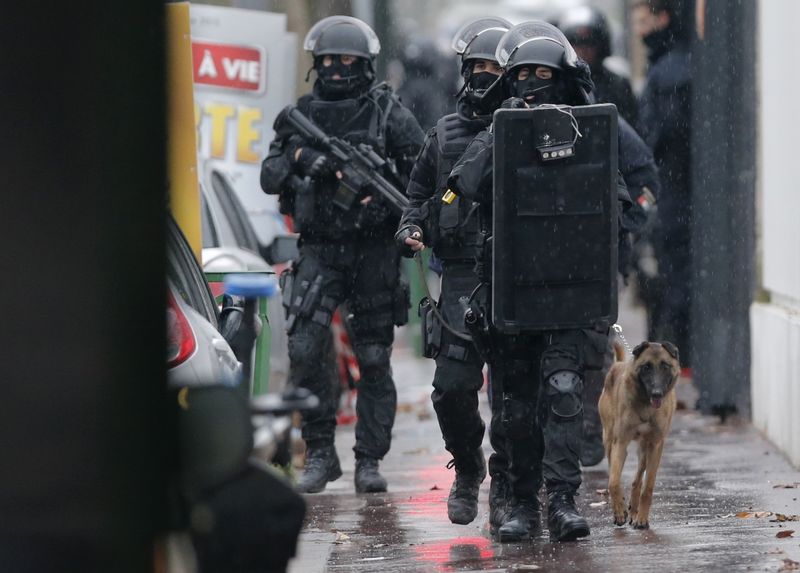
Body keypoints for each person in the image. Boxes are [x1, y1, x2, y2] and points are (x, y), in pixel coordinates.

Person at [446, 20, 643, 542]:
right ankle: (521, 505)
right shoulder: (498, 130)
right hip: (512, 294)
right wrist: (506, 131)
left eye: (542, 75)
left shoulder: (590, 133)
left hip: (569, 291)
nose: (532, 84)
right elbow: (462, 185)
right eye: (522, 75)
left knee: (563, 394)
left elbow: (619, 202)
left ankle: (561, 500)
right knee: (515, 408)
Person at [261, 16, 424, 494]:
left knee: (373, 357)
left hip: (373, 251)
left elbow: (423, 172)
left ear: (365, 64)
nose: (335, 68)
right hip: (319, 250)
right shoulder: (302, 114)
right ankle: (320, 452)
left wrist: (394, 200)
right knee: (306, 348)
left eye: (345, 60)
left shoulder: (387, 113)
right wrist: (300, 161)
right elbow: (270, 175)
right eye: (327, 60)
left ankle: (369, 460)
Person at [395, 16, 513, 529]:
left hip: (516, 278)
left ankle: (512, 489)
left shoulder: (530, 128)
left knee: (516, 394)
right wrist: (411, 229)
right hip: (463, 277)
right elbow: (416, 199)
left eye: (496, 67)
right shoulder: (443, 135)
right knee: (451, 390)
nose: (485, 75)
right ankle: (469, 468)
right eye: (478, 67)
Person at [557, 4, 658, 468]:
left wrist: (626, 225)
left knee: (592, 347)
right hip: (545, 249)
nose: (582, 53)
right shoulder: (528, 113)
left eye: (588, 44)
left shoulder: (611, 100)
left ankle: (587, 429)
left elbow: (641, 170)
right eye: (573, 45)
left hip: (596, 248)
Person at [632, 0, 692, 366]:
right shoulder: (675, 65)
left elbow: (659, 134)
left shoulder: (668, 71)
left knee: (674, 277)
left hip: (673, 191)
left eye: (643, 20)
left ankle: (678, 355)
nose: (639, 30)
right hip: (677, 190)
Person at [556, 5, 639, 127]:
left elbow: (631, 129)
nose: (583, 50)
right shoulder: (556, 83)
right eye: (576, 42)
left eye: (589, 42)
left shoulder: (618, 85)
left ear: (602, 46)